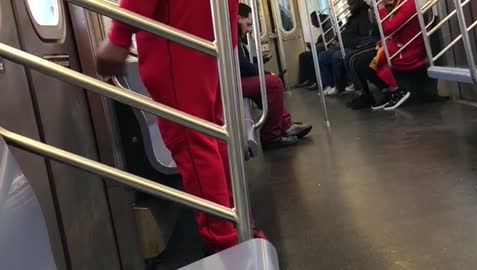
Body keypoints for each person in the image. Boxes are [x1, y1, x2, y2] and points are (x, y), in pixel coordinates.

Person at [95, 0, 264, 254]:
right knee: (212, 135)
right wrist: (227, 42)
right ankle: (236, 225)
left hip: (175, 44)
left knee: (193, 141)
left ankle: (224, 244)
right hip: (204, 43)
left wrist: (119, 36)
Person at [237, 3, 312, 148]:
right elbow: (241, 65)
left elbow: (242, 62)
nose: (249, 29)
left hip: (237, 79)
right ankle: (270, 136)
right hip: (230, 82)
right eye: (248, 24)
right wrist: (265, 72)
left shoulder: (236, 36)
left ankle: (285, 125)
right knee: (273, 83)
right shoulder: (230, 35)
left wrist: (259, 62)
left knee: (267, 83)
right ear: (238, 19)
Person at [347, 0, 426, 110]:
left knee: (364, 61)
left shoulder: (408, 4)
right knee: (358, 60)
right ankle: (388, 91)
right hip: (397, 44)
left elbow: (387, 29)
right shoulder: (397, 5)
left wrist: (381, 7)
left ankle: (397, 90)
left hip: (408, 48)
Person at [317, 0, 371, 95]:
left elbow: (362, 37)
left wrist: (342, 43)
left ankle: (339, 86)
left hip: (353, 46)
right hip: (344, 44)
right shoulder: (352, 18)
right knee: (323, 56)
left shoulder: (363, 17)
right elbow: (346, 32)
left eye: (350, 4)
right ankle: (331, 84)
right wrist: (336, 39)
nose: (348, 6)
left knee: (336, 56)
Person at [296, 12, 332, 89]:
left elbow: (328, 40)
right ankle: (306, 79)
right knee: (303, 55)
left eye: (312, 21)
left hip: (327, 46)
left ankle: (316, 80)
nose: (312, 24)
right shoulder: (324, 24)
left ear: (317, 19)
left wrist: (314, 46)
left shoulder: (328, 23)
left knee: (315, 53)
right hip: (321, 46)